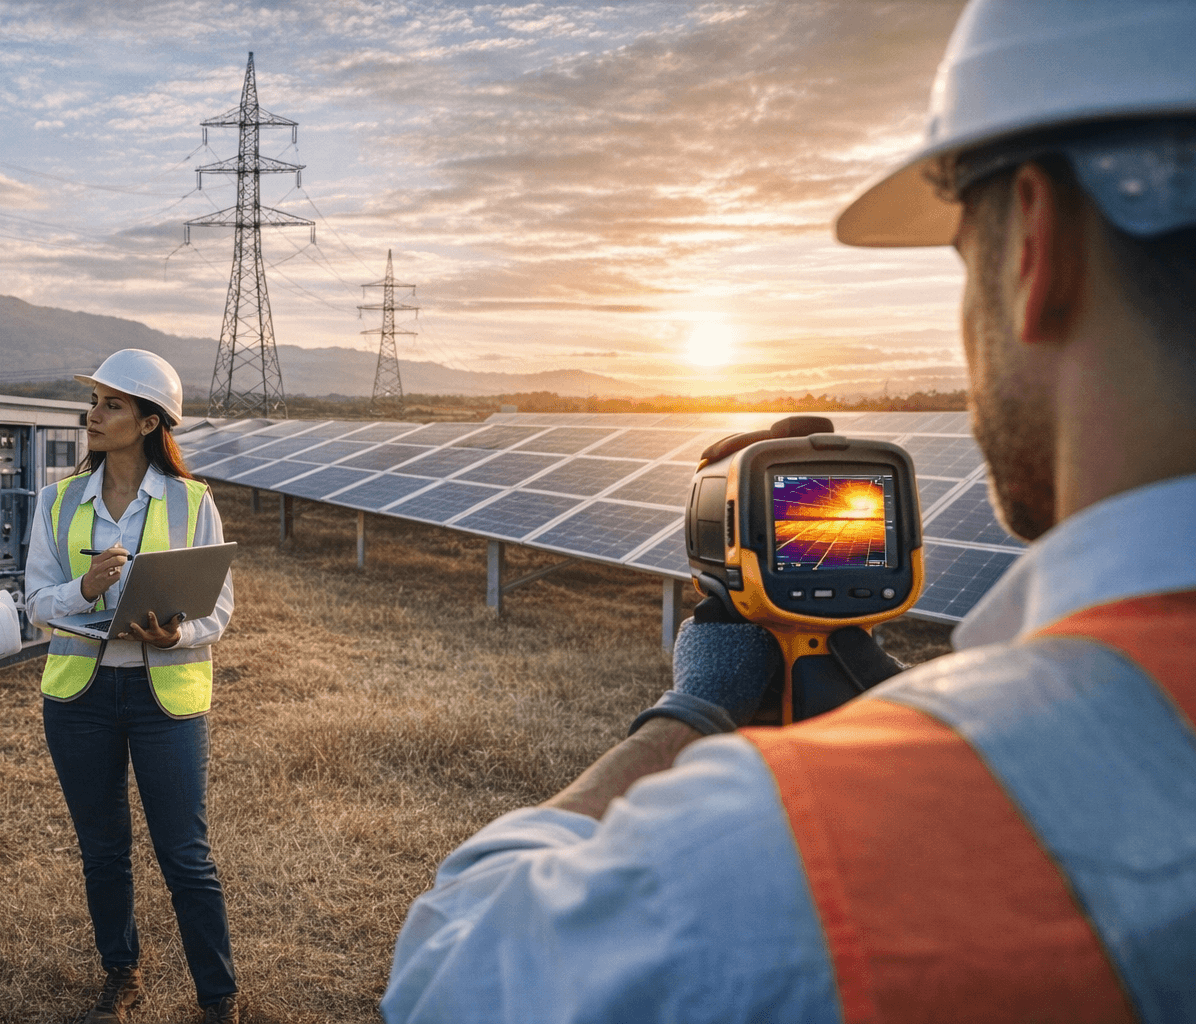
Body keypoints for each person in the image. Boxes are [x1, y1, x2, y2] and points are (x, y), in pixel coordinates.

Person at [383, 1, 1196, 1021]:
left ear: (1035, 244)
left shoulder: (798, 851)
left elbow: (455, 970)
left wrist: (694, 709)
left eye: (963, 258)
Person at [24, 348, 239, 1024]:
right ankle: (122, 975)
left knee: (186, 855)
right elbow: (34, 602)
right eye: (95, 402)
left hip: (164, 703)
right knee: (104, 850)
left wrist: (178, 636)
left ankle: (218, 997)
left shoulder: (192, 502)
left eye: (111, 404)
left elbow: (220, 609)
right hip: (79, 701)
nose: (94, 415)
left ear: (150, 423)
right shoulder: (57, 501)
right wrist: (80, 590)